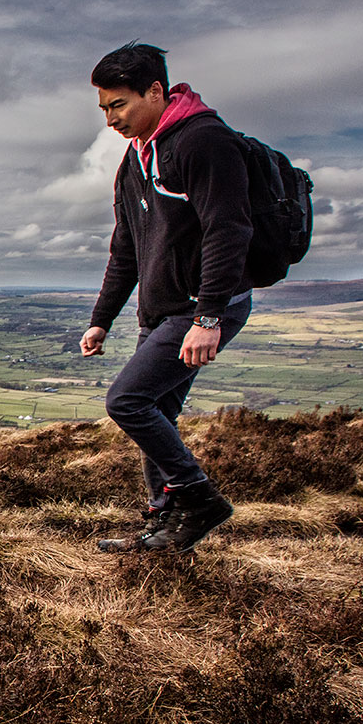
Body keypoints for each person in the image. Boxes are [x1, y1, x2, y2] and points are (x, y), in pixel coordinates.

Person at [80, 43, 253, 553]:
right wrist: (102, 319)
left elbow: (230, 230)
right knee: (155, 407)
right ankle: (166, 523)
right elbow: (126, 249)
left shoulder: (204, 142)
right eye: (104, 109)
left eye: (119, 105)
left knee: (127, 402)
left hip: (200, 306)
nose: (111, 119)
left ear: (155, 91)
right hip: (160, 312)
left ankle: (198, 498)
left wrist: (210, 316)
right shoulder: (135, 162)